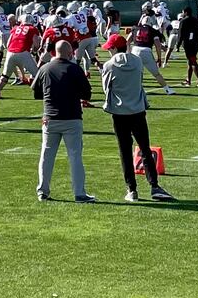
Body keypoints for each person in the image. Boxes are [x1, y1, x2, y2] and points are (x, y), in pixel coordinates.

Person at [100, 35, 175, 203]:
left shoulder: (109, 65)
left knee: (125, 151)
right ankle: (154, 186)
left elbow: (107, 89)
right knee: (145, 149)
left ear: (113, 48)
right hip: (138, 110)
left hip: (119, 113)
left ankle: (131, 189)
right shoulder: (137, 62)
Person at [33, 39, 95, 203]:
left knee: (46, 155)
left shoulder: (45, 68)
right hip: (72, 118)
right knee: (75, 157)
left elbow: (35, 90)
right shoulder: (75, 69)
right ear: (70, 53)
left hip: (50, 118)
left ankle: (42, 191)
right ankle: (79, 193)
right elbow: (87, 93)